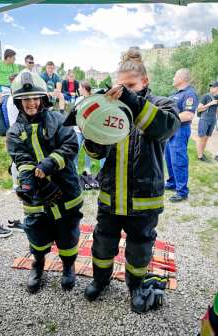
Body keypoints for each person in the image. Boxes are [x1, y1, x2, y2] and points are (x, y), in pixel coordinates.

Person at [75, 51, 180, 312]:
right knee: (102, 242)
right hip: (110, 195)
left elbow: (164, 128)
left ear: (144, 82)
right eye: (121, 86)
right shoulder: (109, 107)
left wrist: (130, 99)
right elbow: (96, 153)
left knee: (140, 248)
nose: (124, 91)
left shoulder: (163, 104)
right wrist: (90, 134)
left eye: (130, 86)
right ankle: (101, 280)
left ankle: (135, 286)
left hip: (144, 198)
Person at [6, 72, 83, 293]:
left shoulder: (59, 120)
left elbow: (70, 147)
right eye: (26, 98)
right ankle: (38, 265)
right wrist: (28, 184)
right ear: (18, 102)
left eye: (35, 97)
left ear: (43, 99)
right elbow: (22, 159)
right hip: (37, 197)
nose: (31, 102)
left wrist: (47, 165)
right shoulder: (14, 132)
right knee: (36, 232)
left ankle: (68, 267)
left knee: (68, 232)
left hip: (65, 191)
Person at [165, 68, 198, 202]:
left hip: (180, 130)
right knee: (169, 159)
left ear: (181, 79)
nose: (173, 78)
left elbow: (188, 114)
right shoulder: (176, 93)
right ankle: (172, 183)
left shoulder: (189, 94)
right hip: (172, 130)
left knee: (179, 160)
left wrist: (169, 119)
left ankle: (182, 191)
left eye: (175, 76)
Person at [196, 81, 218, 162]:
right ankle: (199, 156)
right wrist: (210, 103)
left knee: (206, 138)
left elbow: (216, 112)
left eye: (214, 86)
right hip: (204, 119)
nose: (212, 88)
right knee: (201, 137)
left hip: (212, 120)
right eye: (211, 86)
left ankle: (201, 154)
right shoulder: (206, 96)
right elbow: (199, 109)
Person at [74, 81, 92, 173]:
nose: (78, 89)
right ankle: (75, 166)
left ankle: (87, 168)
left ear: (84, 89)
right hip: (78, 129)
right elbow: (75, 113)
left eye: (80, 87)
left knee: (88, 148)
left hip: (88, 129)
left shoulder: (92, 99)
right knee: (76, 147)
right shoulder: (78, 100)